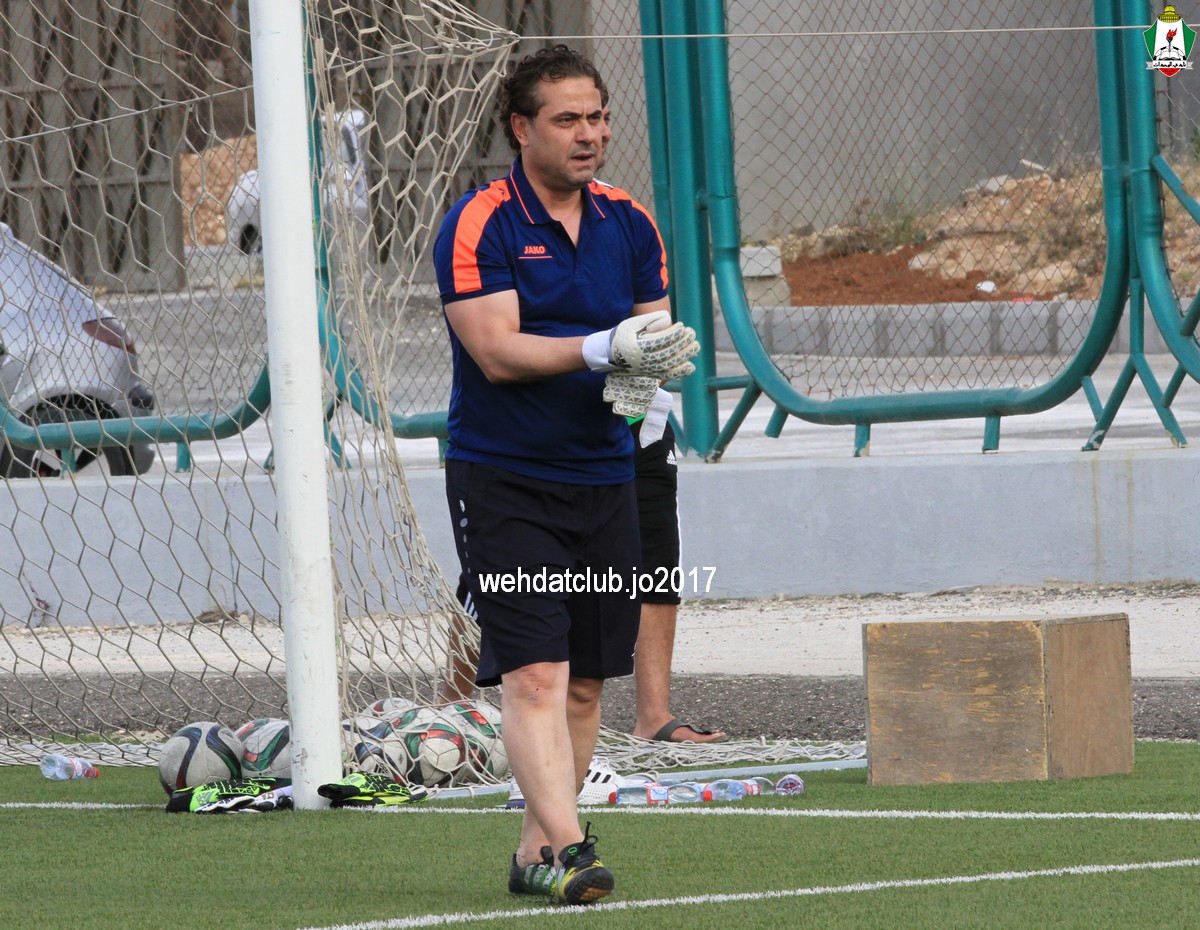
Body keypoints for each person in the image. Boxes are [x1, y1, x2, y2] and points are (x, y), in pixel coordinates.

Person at [432, 45, 697, 906]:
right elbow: (496, 351)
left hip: (605, 476)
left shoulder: (631, 222)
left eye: (599, 118)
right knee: (536, 675)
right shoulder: (479, 223)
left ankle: (534, 852)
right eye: (568, 120)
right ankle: (574, 849)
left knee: (584, 682)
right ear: (521, 128)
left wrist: (645, 380)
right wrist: (600, 348)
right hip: (503, 479)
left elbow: (649, 339)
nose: (591, 135)